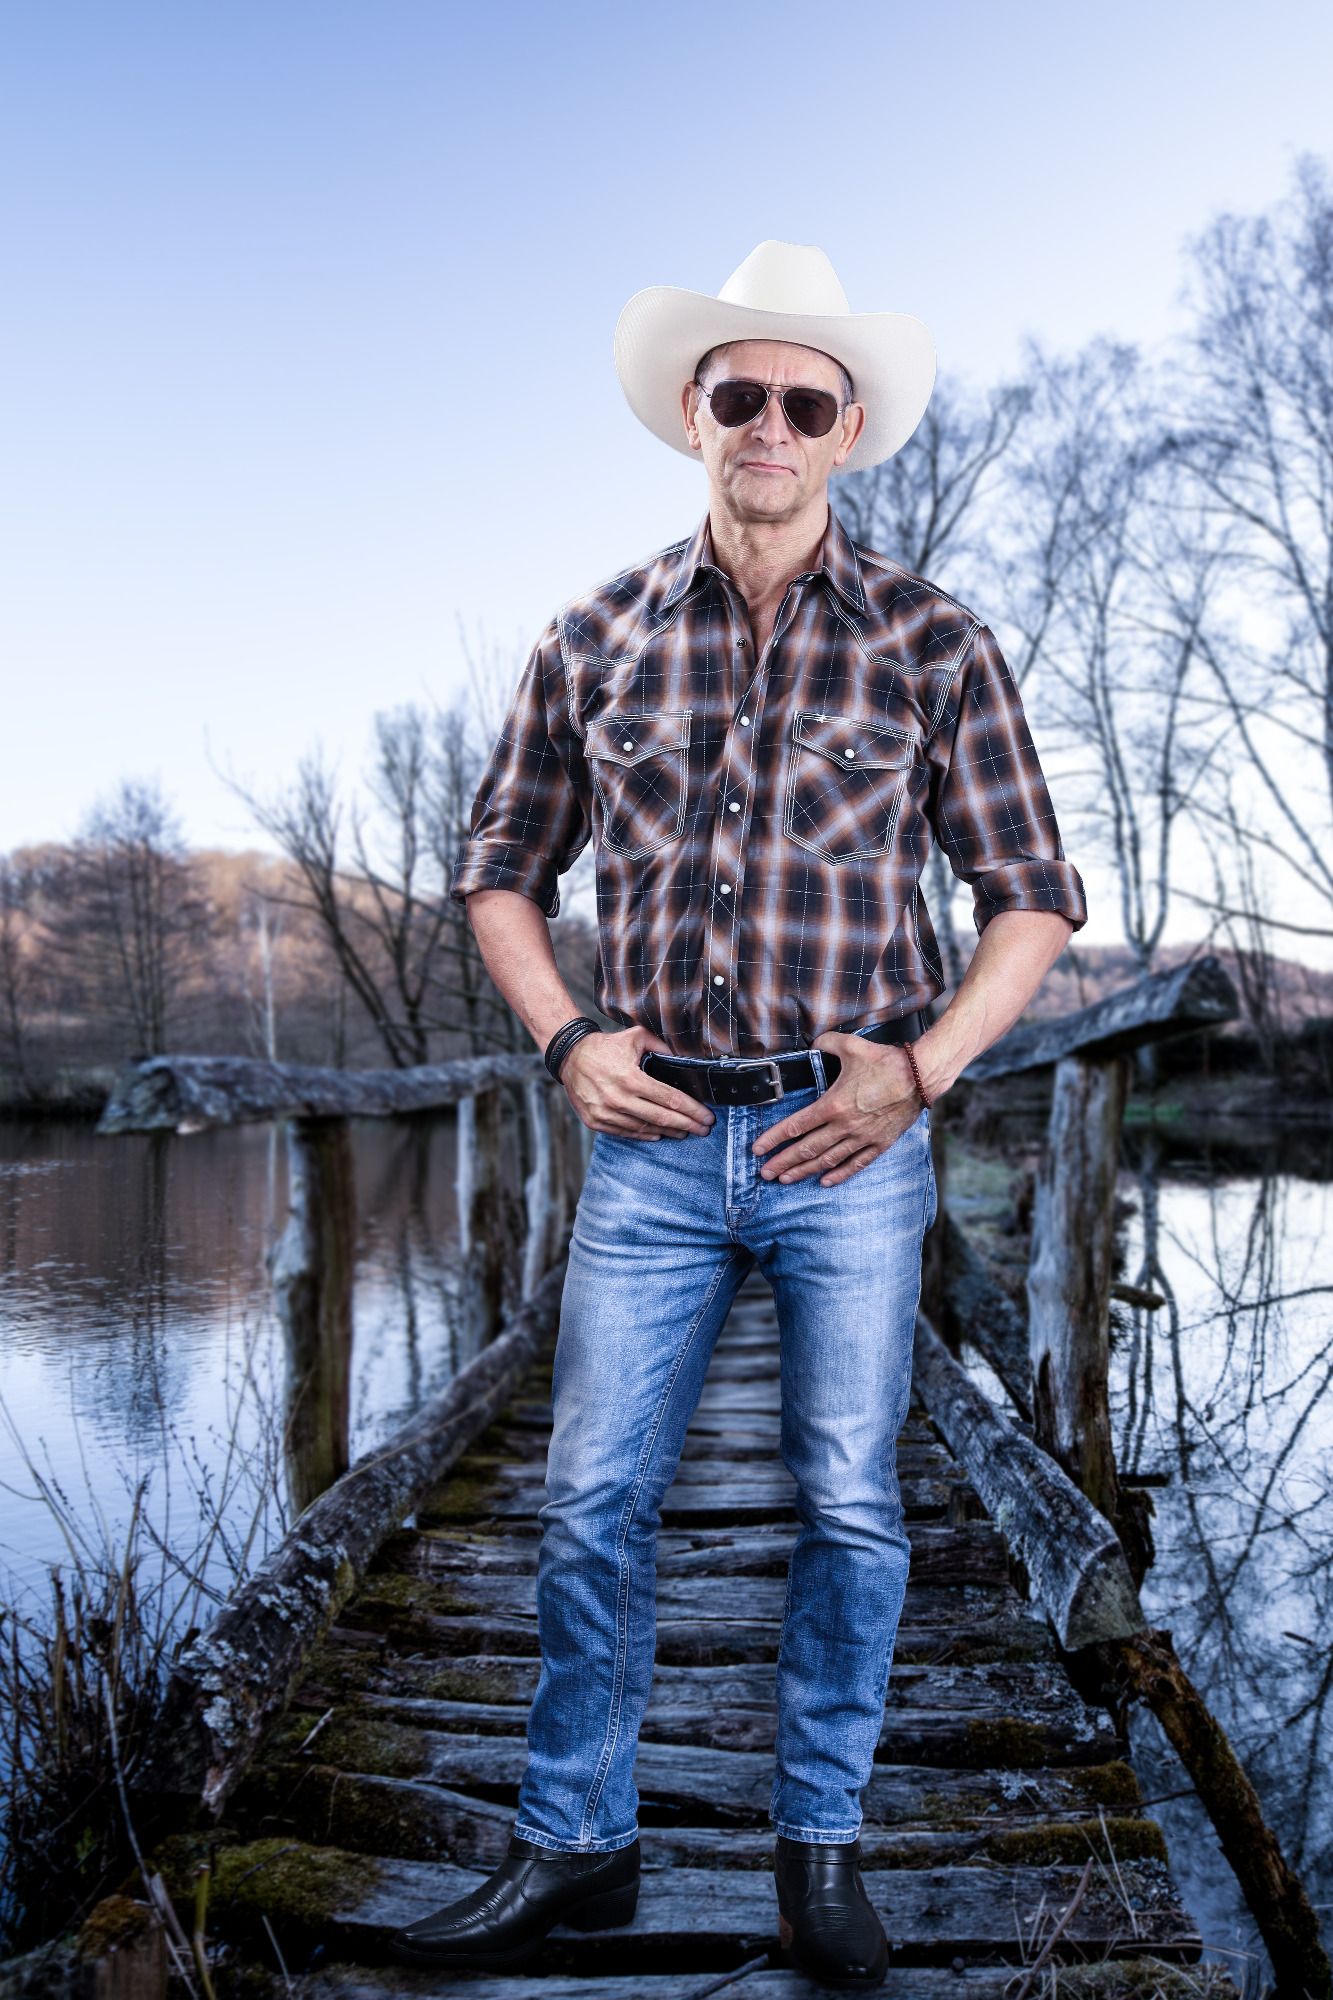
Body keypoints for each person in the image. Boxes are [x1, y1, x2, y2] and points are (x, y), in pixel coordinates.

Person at [389, 239, 1087, 1986]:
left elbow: (1029, 898)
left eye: (801, 401)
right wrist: (564, 1038)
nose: (767, 424)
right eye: (737, 394)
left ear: (844, 431)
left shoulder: (932, 642)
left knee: (849, 1502)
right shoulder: (593, 637)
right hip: (646, 1143)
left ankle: (817, 1848)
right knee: (589, 1502)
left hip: (847, 1143)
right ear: (691, 416)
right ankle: (577, 1843)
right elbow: (498, 869)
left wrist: (919, 1068)